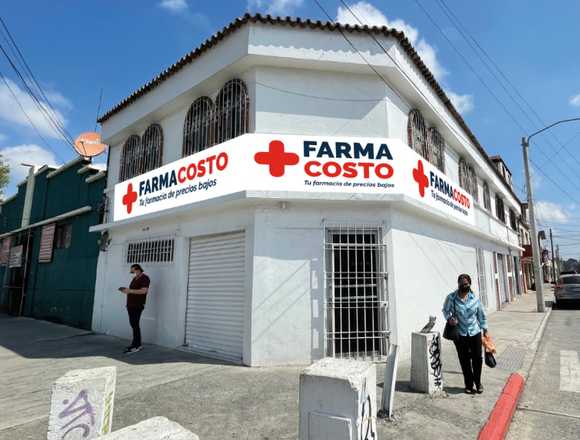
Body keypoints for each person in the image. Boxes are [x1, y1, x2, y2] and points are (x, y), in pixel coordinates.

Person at [442, 273, 488, 395]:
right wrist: (450, 318)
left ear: (469, 284)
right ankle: (468, 384)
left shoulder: (475, 299)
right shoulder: (451, 298)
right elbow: (445, 310)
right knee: (464, 360)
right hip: (460, 334)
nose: (464, 286)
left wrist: (485, 330)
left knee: (477, 359)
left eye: (466, 284)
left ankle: (478, 383)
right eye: (462, 284)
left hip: (475, 332)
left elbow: (481, 315)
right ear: (458, 284)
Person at [119, 264, 150, 354]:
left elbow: (144, 291)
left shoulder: (145, 278)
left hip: (137, 305)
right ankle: (136, 344)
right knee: (133, 324)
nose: (132, 272)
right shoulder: (134, 278)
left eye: (133, 271)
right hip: (130, 304)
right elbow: (132, 290)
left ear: (138, 269)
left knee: (135, 324)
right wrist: (125, 291)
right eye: (132, 271)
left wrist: (130, 291)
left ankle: (136, 345)